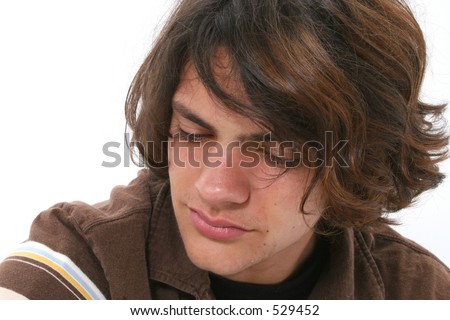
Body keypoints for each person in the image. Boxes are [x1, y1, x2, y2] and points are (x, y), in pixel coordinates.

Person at [0, 0, 449, 300]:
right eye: (194, 136)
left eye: (277, 152)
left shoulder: (416, 292)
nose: (216, 188)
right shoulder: (83, 260)